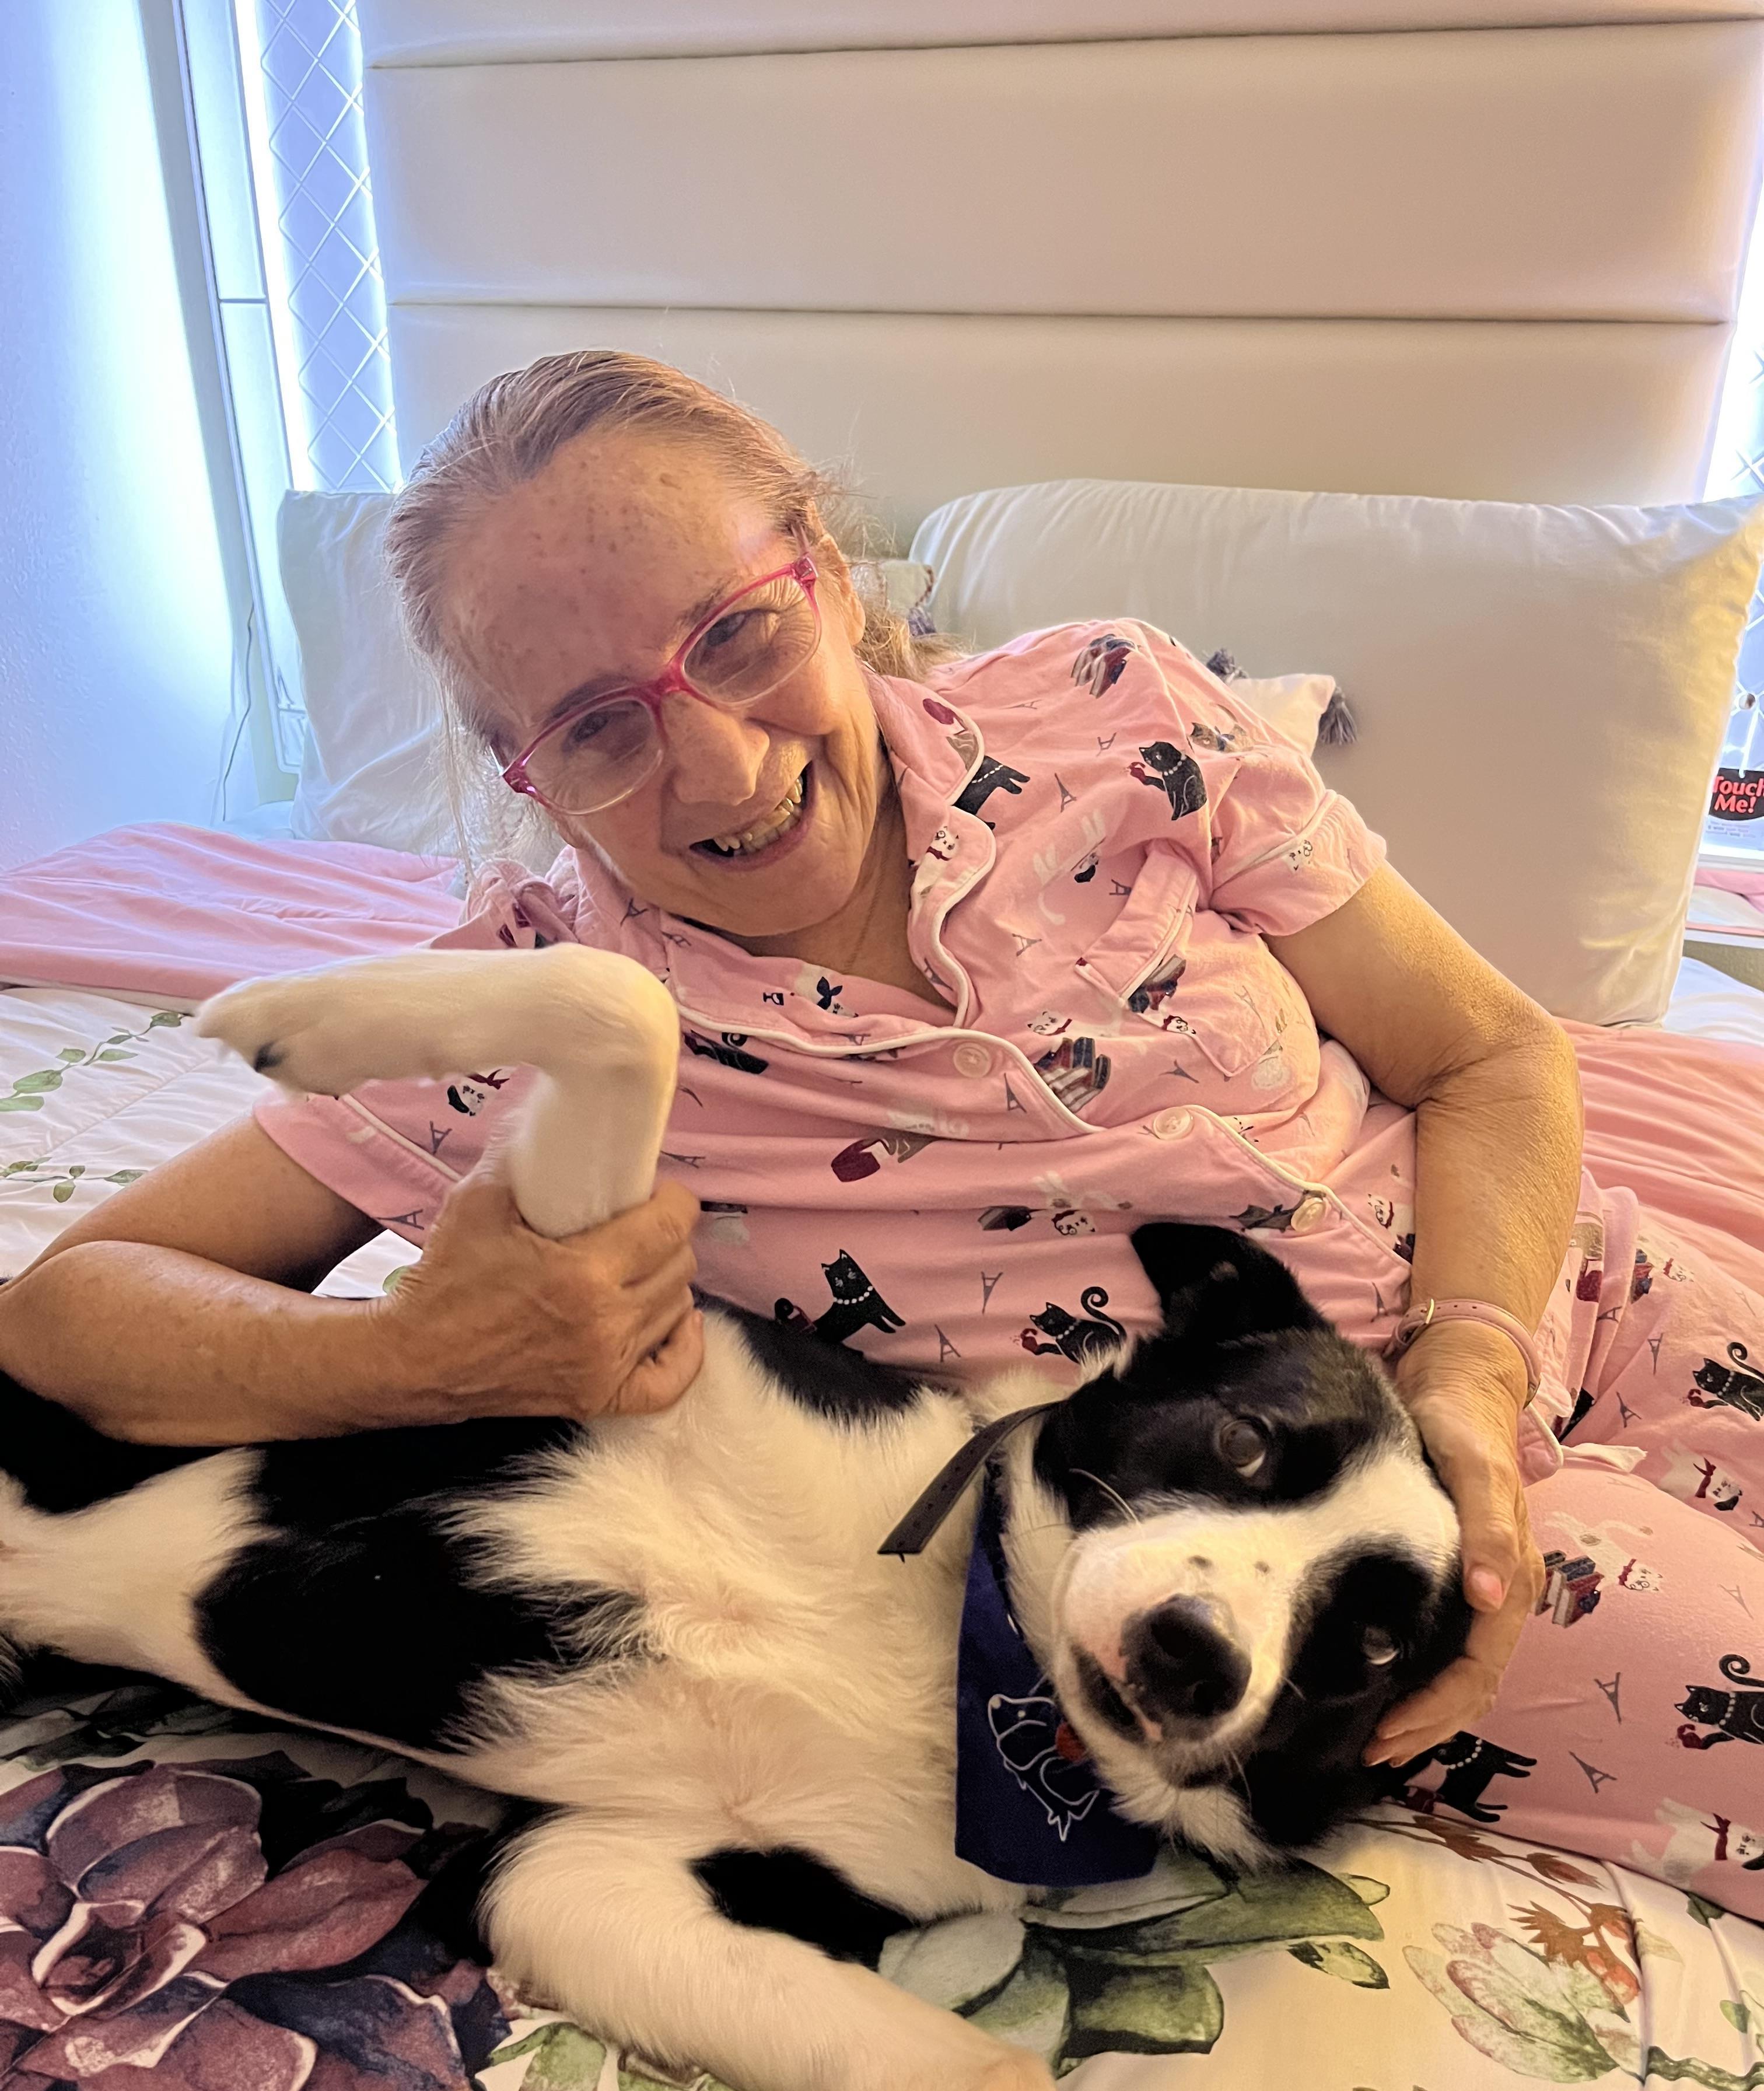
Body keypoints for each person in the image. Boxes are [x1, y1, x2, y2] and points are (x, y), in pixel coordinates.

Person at [4, 351, 1761, 1910]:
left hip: (1559, 1287)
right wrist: (410, 1366)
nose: (717, 768)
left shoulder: (1123, 715)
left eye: (738, 637)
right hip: (1304, 1567)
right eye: (599, 730)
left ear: (830, 579)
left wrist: (1474, 1364)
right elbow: (65, 1312)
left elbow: (1490, 1058)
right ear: (517, 769)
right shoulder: (520, 1023)